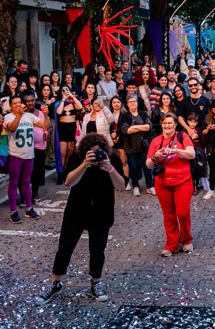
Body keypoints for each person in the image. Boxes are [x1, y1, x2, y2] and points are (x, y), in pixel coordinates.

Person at [34, 133, 125, 305]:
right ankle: (55, 283)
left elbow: (121, 186)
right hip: (76, 210)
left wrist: (110, 168)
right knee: (64, 248)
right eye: (90, 152)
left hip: (101, 212)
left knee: (97, 250)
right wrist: (84, 165)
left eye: (97, 152)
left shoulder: (111, 158)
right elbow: (68, 182)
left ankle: (95, 284)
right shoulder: (77, 157)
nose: (95, 155)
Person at [146, 113, 196, 257]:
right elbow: (148, 165)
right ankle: (171, 244)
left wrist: (175, 151)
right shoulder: (156, 141)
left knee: (183, 213)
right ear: (161, 125)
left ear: (175, 125)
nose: (167, 126)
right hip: (163, 183)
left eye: (170, 123)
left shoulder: (183, 137)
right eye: (165, 123)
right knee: (169, 215)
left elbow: (191, 154)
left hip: (183, 181)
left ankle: (186, 239)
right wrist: (156, 156)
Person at [4, 95, 49, 223]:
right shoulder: (8, 117)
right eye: (15, 103)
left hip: (29, 155)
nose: (18, 105)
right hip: (15, 155)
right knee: (13, 182)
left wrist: (45, 115)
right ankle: (13, 212)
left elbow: (44, 125)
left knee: (26, 182)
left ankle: (29, 208)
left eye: (19, 102)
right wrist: (19, 114)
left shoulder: (29, 116)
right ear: (11, 105)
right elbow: (11, 128)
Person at [121, 94, 154, 197]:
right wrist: (141, 127)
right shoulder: (125, 116)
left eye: (134, 101)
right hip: (130, 146)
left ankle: (150, 186)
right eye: (130, 101)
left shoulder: (142, 113)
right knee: (133, 167)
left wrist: (135, 127)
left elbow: (149, 127)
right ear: (127, 104)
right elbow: (126, 130)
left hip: (143, 145)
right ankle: (135, 186)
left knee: (147, 166)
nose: (133, 103)